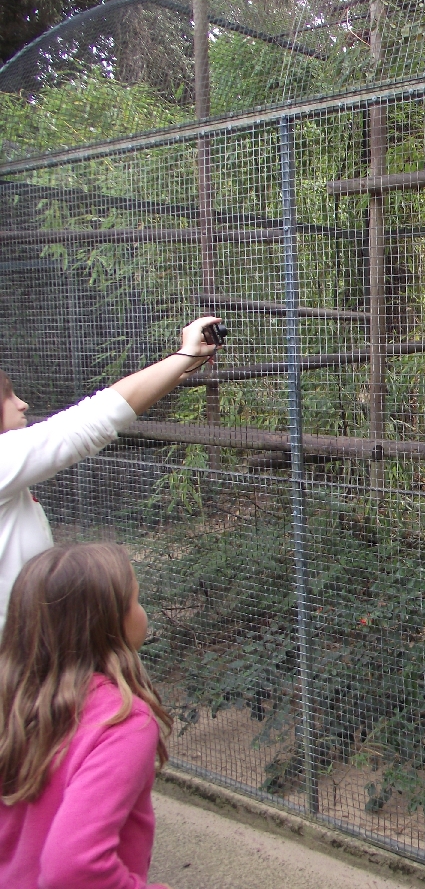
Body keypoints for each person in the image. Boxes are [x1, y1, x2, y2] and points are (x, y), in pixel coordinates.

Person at [0, 316, 220, 628]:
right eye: (7, 395)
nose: (21, 404)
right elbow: (91, 422)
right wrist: (182, 357)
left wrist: (182, 364)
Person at [0, 543, 172, 888]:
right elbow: (73, 866)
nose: (142, 611)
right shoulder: (121, 722)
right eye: (135, 601)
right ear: (108, 623)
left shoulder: (12, 700)